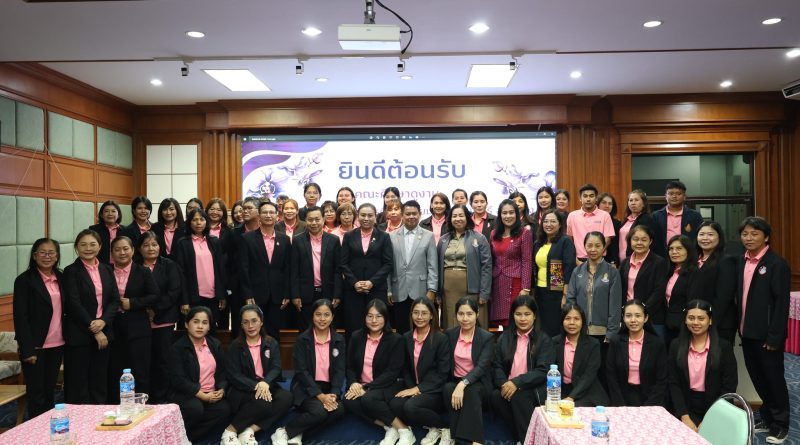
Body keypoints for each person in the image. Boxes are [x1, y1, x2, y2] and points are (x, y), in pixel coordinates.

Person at [736, 216, 791, 443]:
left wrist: (775, 336)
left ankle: (781, 424)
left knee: (773, 380)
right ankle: (767, 417)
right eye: (745, 234)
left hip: (768, 336)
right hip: (747, 332)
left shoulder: (776, 264)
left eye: (754, 233)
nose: (748, 238)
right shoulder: (742, 261)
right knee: (758, 378)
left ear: (766, 237)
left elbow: (781, 304)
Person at [272, 299, 346, 445]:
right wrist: (320, 396)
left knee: (340, 410)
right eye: (318, 314)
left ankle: (298, 433)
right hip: (305, 388)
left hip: (328, 389)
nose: (322, 319)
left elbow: (340, 370)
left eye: (326, 315)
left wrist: (334, 394)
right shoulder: (302, 339)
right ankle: (283, 431)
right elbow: (301, 372)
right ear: (312, 316)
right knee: (319, 411)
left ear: (332, 317)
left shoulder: (339, 340)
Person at [62, 229, 119, 404]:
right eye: (83, 245)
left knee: (99, 381)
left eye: (93, 244)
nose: (88, 248)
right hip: (80, 335)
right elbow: (73, 304)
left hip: (104, 332)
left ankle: (99, 417)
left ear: (100, 246)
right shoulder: (70, 271)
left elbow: (114, 300)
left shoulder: (106, 269)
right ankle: (79, 419)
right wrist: (95, 329)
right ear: (76, 247)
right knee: (79, 383)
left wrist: (103, 322)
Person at [223, 305, 292, 445]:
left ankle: (249, 430)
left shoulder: (271, 342)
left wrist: (265, 382)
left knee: (286, 397)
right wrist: (257, 386)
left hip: (266, 385)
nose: (250, 326)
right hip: (242, 389)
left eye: (254, 321)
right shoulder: (235, 346)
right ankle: (230, 431)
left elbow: (276, 368)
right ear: (241, 325)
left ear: (261, 321)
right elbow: (234, 375)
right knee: (264, 403)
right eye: (246, 322)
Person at [13, 238, 66, 418]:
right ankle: (35, 428)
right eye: (42, 252)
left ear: (57, 256)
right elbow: (21, 317)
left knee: (50, 390)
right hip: (35, 346)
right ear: (34, 256)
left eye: (51, 253)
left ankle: (49, 426)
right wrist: (27, 348)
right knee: (37, 394)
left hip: (58, 343)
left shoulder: (61, 277)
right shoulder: (24, 280)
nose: (47, 256)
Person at [490, 295, 554, 443]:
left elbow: (543, 371)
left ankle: (527, 440)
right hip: (509, 386)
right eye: (518, 314)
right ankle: (524, 436)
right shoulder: (504, 338)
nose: (522, 319)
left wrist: (517, 383)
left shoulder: (544, 340)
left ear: (534, 315)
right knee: (495, 397)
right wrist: (505, 384)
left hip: (533, 388)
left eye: (527, 314)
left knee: (519, 396)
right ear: (513, 316)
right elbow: (497, 366)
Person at [668, 300, 737, 432]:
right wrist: (684, 417)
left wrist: (710, 419)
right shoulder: (676, 346)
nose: (695, 322)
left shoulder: (724, 347)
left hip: (715, 407)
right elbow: (673, 383)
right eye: (691, 318)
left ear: (710, 321)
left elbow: (729, 387)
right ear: (685, 320)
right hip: (684, 407)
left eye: (701, 318)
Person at [390, 297, 452, 445]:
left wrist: (418, 389)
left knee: (410, 406)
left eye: (424, 313)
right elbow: (406, 368)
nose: (419, 317)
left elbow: (442, 374)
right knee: (395, 403)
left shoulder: (440, 338)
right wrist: (412, 388)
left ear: (431, 315)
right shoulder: (406, 337)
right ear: (411, 314)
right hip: (414, 387)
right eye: (416, 312)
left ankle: (446, 428)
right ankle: (432, 427)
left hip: (435, 390)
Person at [343, 300, 405, 445]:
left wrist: (366, 388)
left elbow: (392, 372)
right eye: (370, 316)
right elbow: (350, 366)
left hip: (386, 385)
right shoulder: (356, 336)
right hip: (361, 385)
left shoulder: (396, 339)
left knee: (368, 399)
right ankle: (389, 427)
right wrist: (353, 383)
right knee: (347, 400)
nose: (374, 320)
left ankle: (404, 429)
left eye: (378, 316)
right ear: (364, 318)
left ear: (385, 318)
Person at [107, 236, 159, 403]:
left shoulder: (143, 271)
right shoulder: (105, 271)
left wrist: (133, 303)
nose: (122, 252)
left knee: (140, 370)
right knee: (115, 370)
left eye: (126, 248)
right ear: (111, 253)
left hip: (138, 328)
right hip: (112, 327)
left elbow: (154, 296)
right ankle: (116, 406)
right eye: (117, 249)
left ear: (133, 250)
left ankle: (141, 406)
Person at [168, 307, 231, 443]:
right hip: (186, 393)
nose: (200, 326)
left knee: (224, 409)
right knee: (195, 409)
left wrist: (221, 388)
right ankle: (177, 437)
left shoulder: (215, 344)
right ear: (186, 324)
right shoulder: (178, 348)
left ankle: (187, 438)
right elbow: (178, 380)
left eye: (204, 323)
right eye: (196, 322)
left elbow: (222, 372)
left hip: (210, 392)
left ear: (209, 327)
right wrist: (201, 395)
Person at [136, 231, 182, 404]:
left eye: (154, 245)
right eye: (146, 245)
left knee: (162, 361)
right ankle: (144, 398)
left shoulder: (169, 265)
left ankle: (161, 398)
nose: (151, 248)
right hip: (140, 321)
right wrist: (145, 309)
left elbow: (174, 291)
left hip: (164, 319)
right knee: (143, 361)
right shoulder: (135, 266)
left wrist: (155, 310)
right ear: (139, 248)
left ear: (160, 246)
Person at [443, 297, 494, 445]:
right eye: (461, 314)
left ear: (477, 314)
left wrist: (463, 383)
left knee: (471, 391)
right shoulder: (450, 334)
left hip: (479, 383)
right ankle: (463, 439)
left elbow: (481, 367)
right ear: (456, 315)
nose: (465, 318)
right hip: (455, 380)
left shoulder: (487, 337)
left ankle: (472, 441)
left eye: (469, 314)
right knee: (447, 388)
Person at [240, 201, 292, 339]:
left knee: (274, 333)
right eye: (264, 212)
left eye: (271, 212)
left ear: (277, 216)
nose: (268, 215)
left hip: (277, 294)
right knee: (254, 332)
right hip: (255, 294)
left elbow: (287, 268)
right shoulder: (247, 238)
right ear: (259, 215)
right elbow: (244, 269)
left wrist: (287, 292)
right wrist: (247, 294)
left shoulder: (285, 239)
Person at [340, 203, 393, 336]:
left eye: (370, 215)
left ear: (375, 217)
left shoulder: (384, 236)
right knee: (353, 327)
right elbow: (343, 263)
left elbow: (388, 264)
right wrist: (354, 283)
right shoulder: (349, 236)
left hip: (376, 289)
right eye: (363, 215)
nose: (366, 218)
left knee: (377, 326)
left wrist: (372, 282)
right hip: (353, 290)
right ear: (358, 216)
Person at [437, 204, 492, 330]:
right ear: (450, 219)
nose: (458, 219)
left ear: (467, 217)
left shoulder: (479, 238)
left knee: (471, 319)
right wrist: (438, 293)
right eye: (454, 216)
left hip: (472, 287)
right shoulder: (443, 240)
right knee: (451, 321)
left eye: (461, 215)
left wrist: (484, 292)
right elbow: (438, 266)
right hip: (448, 288)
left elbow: (486, 266)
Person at [387, 200, 438, 333]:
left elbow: (432, 266)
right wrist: (389, 290)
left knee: (422, 329)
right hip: (399, 290)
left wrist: (432, 290)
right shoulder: (391, 236)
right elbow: (388, 266)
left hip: (421, 290)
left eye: (414, 213)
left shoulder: (428, 236)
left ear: (420, 214)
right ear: (402, 215)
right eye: (408, 214)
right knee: (402, 330)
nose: (411, 216)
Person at [606, 299, 667, 407]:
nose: (633, 320)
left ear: (646, 318)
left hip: (650, 400)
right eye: (628, 316)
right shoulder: (616, 341)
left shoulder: (657, 343)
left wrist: (648, 407)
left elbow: (662, 380)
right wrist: (620, 405)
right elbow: (611, 376)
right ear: (623, 318)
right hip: (621, 398)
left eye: (638, 316)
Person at [290, 206, 342, 331]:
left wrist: (337, 293)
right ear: (305, 221)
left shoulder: (333, 240)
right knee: (306, 329)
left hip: (327, 292)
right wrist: (295, 295)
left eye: (317, 219)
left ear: (323, 219)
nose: (314, 223)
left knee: (328, 328)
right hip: (305, 294)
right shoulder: (297, 240)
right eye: (310, 220)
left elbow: (338, 270)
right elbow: (294, 270)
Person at [566, 232, 622, 346]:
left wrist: (611, 333)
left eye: (597, 246)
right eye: (589, 245)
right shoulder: (577, 271)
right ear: (584, 246)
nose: (593, 249)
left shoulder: (612, 272)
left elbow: (615, 306)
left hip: (603, 332)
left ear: (604, 247)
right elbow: (571, 300)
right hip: (580, 330)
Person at [175, 208, 227, 329]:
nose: (198, 223)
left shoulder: (214, 241)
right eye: (194, 220)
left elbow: (220, 271)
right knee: (194, 330)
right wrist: (184, 300)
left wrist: (222, 295)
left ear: (206, 222)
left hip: (213, 296)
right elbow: (181, 274)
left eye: (202, 219)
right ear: (189, 222)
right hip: (193, 296)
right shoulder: (183, 243)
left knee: (211, 329)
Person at [553, 303, 609, 407]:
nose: (572, 322)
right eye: (568, 318)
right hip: (561, 390)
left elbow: (589, 375)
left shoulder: (593, 344)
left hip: (586, 391)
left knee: (573, 408)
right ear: (562, 321)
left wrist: (571, 397)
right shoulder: (554, 342)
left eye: (576, 319)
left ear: (582, 321)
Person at [691, 221, 737, 343]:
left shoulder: (726, 261)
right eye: (701, 234)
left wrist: (709, 321)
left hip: (719, 322)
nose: (705, 238)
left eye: (710, 234)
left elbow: (724, 297)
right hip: (697, 322)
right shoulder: (694, 260)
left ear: (719, 238)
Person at [620, 224, 669, 340]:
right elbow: (622, 289)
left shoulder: (659, 262)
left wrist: (643, 312)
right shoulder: (625, 263)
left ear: (650, 241)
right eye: (635, 239)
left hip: (652, 317)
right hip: (630, 318)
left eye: (644, 239)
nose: (639, 243)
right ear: (630, 241)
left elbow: (659, 291)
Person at [532, 208, 576, 337]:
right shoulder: (538, 243)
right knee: (540, 328)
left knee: (553, 329)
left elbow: (569, 268)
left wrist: (565, 295)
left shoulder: (565, 241)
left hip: (556, 293)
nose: (548, 224)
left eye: (553, 221)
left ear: (560, 224)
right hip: (539, 292)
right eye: (546, 221)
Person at [490, 199, 533, 326]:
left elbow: (527, 261)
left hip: (516, 283)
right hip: (497, 283)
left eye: (511, 212)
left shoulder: (524, 233)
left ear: (517, 214)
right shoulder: (494, 234)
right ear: (500, 215)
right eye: (504, 213)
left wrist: (525, 288)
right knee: (499, 322)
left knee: (515, 319)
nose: (508, 216)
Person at [206, 198, 238, 331]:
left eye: (219, 210)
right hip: (204, 278)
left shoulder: (229, 231)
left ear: (224, 213)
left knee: (223, 317)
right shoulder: (200, 229)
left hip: (223, 279)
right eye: (212, 209)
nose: (215, 212)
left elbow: (232, 258)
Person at [651, 181, 703, 258]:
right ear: (666, 196)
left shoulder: (695, 216)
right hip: (662, 257)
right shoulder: (656, 216)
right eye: (671, 193)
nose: (674, 196)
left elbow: (699, 237)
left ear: (684, 196)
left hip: (688, 257)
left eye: (678, 194)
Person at [566, 184, 615, 262]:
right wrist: (576, 260)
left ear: (596, 198)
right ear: (580, 198)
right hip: (579, 259)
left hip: (599, 259)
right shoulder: (572, 216)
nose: (588, 199)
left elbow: (607, 239)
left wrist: (597, 255)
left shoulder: (605, 215)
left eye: (591, 196)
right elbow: (569, 239)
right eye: (585, 196)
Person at [664, 235, 698, 346]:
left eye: (679, 248)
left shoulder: (694, 272)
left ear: (688, 251)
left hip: (684, 326)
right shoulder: (668, 271)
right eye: (671, 249)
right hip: (668, 324)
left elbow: (692, 301)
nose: (674, 252)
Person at [618, 189, 653, 264]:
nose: (633, 203)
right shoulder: (626, 219)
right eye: (631, 200)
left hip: (637, 260)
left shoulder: (646, 219)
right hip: (622, 261)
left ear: (643, 204)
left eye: (636, 200)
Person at [89, 200, 123, 264]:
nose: (110, 214)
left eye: (113, 211)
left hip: (120, 265)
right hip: (100, 265)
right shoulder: (94, 230)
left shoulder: (125, 230)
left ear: (118, 215)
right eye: (106, 211)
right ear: (102, 215)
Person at [597, 192, 622, 266]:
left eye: (610, 204)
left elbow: (615, 244)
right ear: (598, 204)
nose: (607, 206)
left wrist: (613, 261)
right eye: (604, 203)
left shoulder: (617, 223)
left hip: (609, 260)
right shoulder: (592, 219)